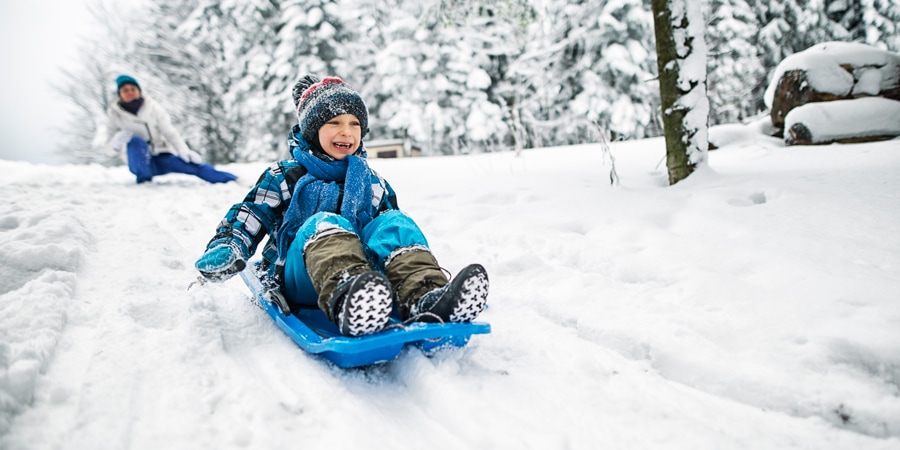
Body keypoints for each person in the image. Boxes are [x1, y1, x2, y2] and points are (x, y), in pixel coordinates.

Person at [194, 75, 489, 337]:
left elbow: (385, 236)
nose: (346, 132)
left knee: (394, 223)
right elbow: (248, 217)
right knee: (324, 223)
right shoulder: (284, 176)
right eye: (334, 123)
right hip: (300, 277)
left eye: (354, 124)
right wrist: (228, 246)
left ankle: (427, 295)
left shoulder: (371, 182)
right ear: (312, 130)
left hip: (367, 278)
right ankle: (351, 301)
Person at [105, 74, 238, 184]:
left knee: (192, 166)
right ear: (120, 94)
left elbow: (170, 133)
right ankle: (144, 180)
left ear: (139, 91)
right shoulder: (114, 114)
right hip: (140, 163)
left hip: (162, 156)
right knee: (135, 142)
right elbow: (107, 149)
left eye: (133, 89)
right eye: (125, 90)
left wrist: (183, 150)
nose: (129, 92)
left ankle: (231, 179)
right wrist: (115, 144)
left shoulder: (153, 108)